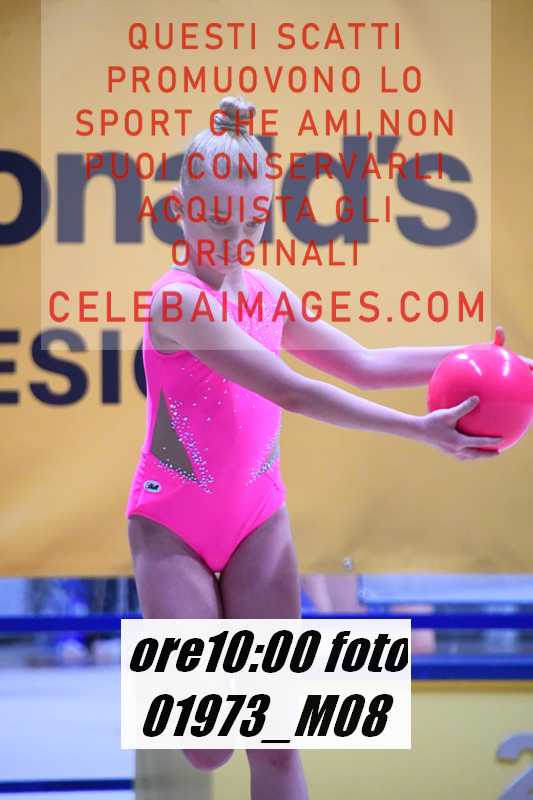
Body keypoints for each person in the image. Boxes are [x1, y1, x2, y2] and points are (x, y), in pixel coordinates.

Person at [125, 95, 528, 800]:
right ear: (182, 211)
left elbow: (366, 363)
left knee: (277, 742)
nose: (236, 238)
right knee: (208, 747)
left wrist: (479, 356)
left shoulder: (268, 295)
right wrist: (418, 430)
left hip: (257, 521)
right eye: (219, 220)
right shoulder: (178, 301)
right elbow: (293, 392)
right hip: (173, 527)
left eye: (252, 221)